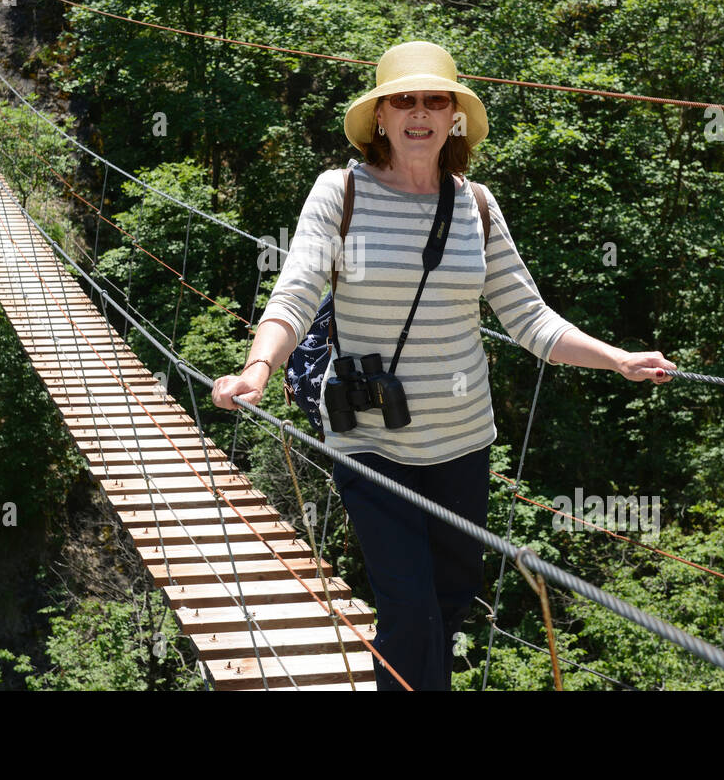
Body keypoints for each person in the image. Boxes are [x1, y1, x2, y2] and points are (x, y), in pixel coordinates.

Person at [211, 41, 676, 690]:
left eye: (436, 99)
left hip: (462, 447)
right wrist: (259, 367)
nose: (420, 113)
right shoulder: (339, 192)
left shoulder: (477, 207)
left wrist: (618, 358)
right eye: (404, 99)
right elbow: (296, 289)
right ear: (379, 115)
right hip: (370, 443)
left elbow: (531, 319)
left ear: (454, 115)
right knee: (411, 610)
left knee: (452, 606)